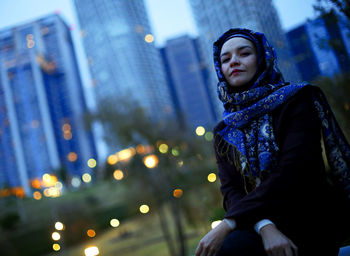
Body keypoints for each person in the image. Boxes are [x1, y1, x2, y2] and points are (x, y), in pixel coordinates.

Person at [195, 28, 350, 256]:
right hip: (258, 224)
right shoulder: (224, 130)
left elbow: (294, 171)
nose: (233, 62)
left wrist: (227, 223)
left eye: (244, 53)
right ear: (220, 70)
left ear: (262, 57)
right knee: (230, 249)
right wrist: (265, 226)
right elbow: (231, 191)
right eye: (225, 59)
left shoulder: (296, 100)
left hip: (309, 216)